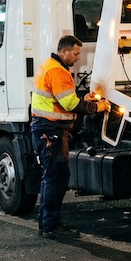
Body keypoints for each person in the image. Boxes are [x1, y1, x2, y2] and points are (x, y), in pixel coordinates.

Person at [31, 35, 109, 238]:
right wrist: (97, 107)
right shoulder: (57, 71)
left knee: (50, 177)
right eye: (76, 53)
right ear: (64, 51)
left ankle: (46, 224)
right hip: (51, 132)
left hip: (46, 129)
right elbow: (69, 105)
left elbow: (65, 100)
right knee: (56, 178)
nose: (78, 57)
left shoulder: (50, 66)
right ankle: (51, 226)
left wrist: (83, 99)